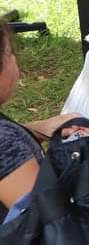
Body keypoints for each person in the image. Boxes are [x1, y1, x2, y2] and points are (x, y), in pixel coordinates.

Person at [0, 21, 83, 220]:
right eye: (10, 54)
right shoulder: (4, 144)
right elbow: (48, 223)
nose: (14, 60)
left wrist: (36, 130)